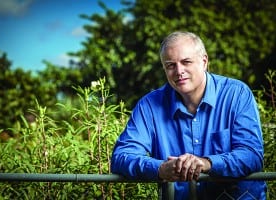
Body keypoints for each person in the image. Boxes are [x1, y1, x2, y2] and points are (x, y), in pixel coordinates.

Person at [110, 31, 267, 199]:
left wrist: (206, 163)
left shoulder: (237, 95)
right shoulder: (149, 105)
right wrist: (160, 168)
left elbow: (251, 155)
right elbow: (121, 157)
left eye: (186, 62)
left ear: (204, 61)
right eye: (170, 65)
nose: (179, 71)